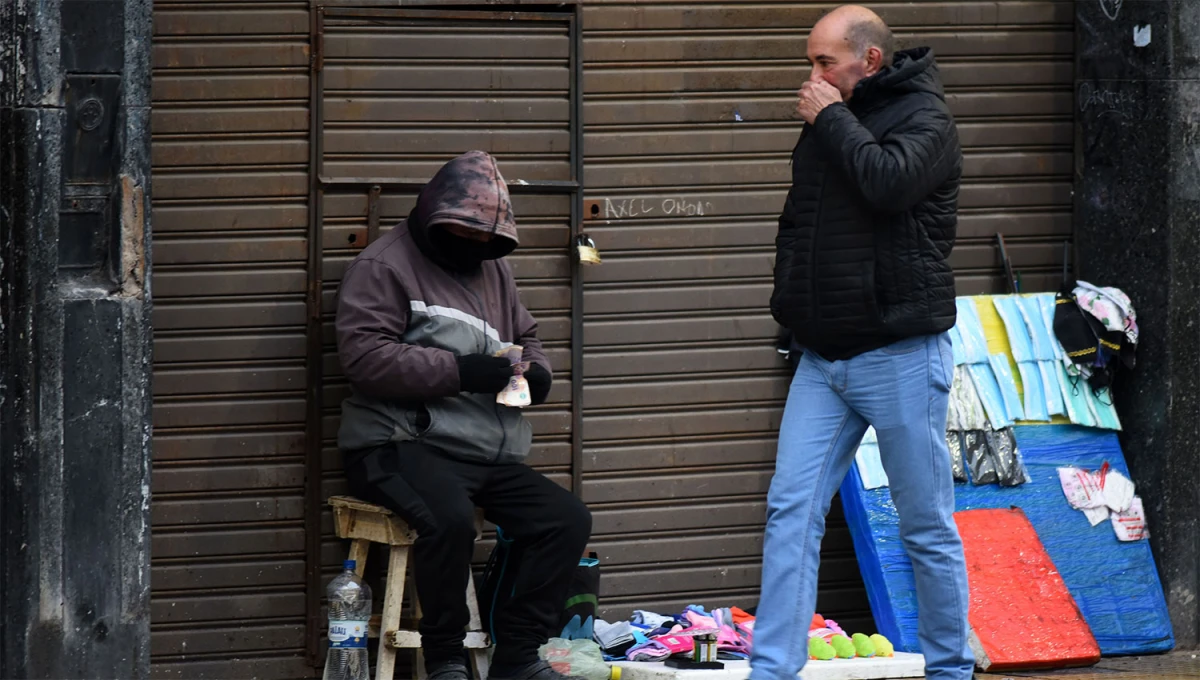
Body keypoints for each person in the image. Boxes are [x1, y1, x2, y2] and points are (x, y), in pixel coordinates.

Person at [753, 5, 973, 680]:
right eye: (811, 62)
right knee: (790, 510)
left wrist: (831, 118)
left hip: (900, 352)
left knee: (924, 525)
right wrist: (792, 311)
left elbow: (887, 183)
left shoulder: (927, 119)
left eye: (824, 62)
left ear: (868, 61)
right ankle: (771, 670)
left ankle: (950, 669)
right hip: (823, 359)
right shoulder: (829, 123)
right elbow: (803, 224)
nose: (812, 76)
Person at [335, 150, 592, 680]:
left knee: (565, 520)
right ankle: (446, 659)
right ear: (434, 217)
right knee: (449, 520)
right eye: (466, 236)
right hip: (396, 444)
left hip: (479, 449)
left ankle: (518, 658)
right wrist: (462, 372)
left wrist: (537, 373)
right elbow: (364, 358)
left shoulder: (494, 268)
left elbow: (526, 338)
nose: (476, 248)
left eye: (485, 240)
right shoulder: (382, 266)